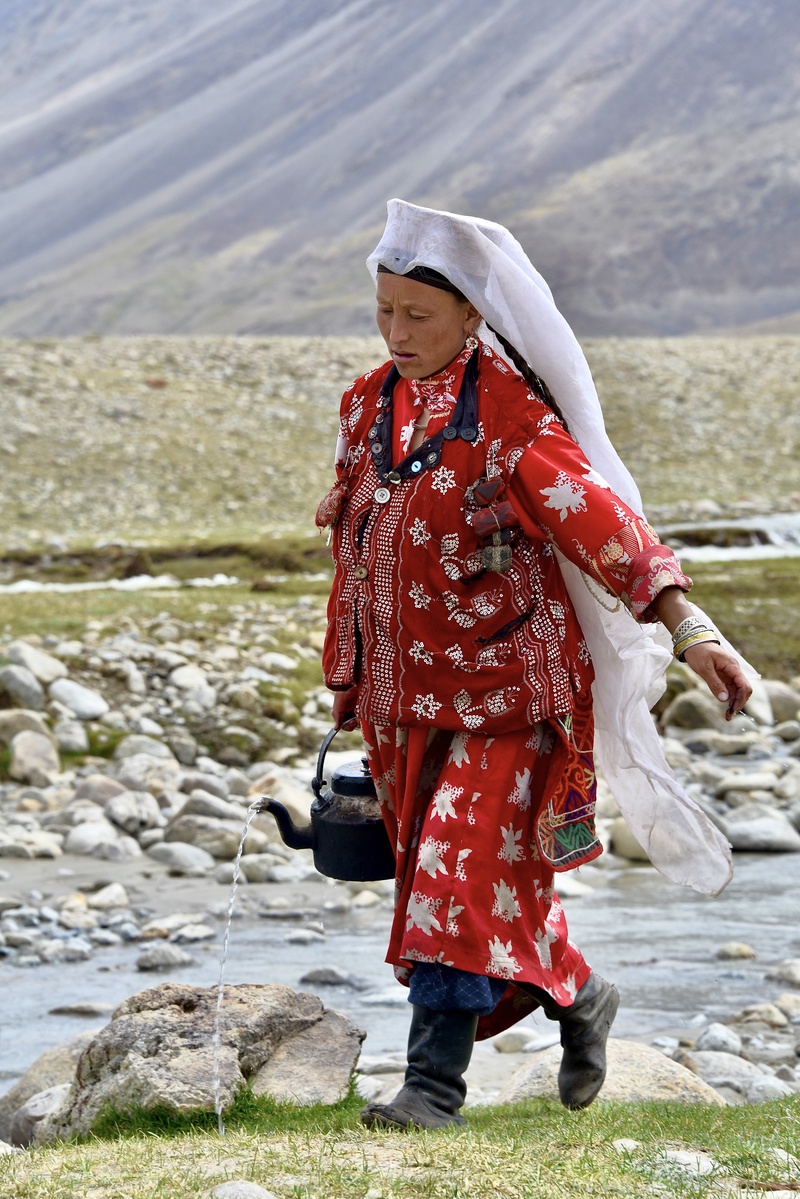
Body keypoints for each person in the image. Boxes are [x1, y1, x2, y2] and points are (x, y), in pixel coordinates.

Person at [317, 199, 753, 1130]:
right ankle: (581, 992)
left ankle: (431, 1089)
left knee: (451, 871)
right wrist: (350, 675)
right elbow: (358, 547)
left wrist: (692, 629)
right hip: (404, 703)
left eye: (419, 316)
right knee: (477, 881)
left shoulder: (514, 420)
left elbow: (604, 524)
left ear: (473, 315)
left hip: (510, 696)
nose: (397, 333)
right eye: (384, 311)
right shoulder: (364, 409)